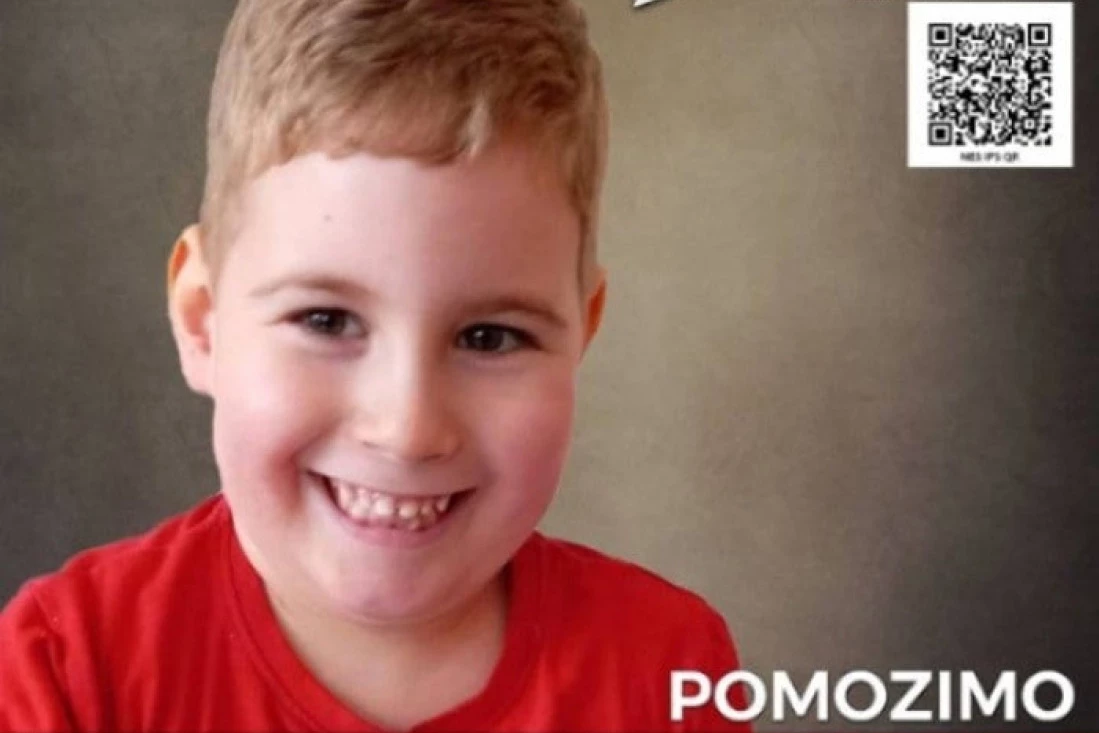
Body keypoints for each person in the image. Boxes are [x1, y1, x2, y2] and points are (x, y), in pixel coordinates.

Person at [0, 1, 749, 730]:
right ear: (202, 320)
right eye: (325, 321)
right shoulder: (63, 672)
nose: (407, 429)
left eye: (489, 337)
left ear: (581, 333)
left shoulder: (671, 674)